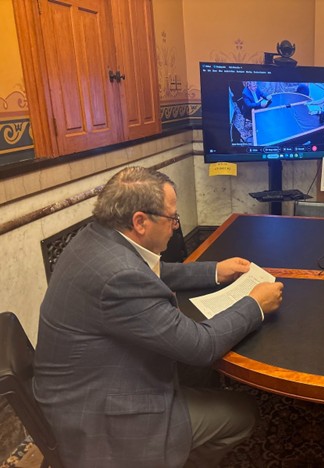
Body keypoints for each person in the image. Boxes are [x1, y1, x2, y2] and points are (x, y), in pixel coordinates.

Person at [33, 166, 284, 468]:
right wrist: (255, 304)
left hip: (80, 384)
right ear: (140, 221)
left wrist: (215, 271)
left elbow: (149, 270)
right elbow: (200, 345)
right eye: (172, 218)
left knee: (202, 373)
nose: (176, 227)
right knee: (242, 413)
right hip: (99, 414)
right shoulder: (120, 276)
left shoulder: (97, 237)